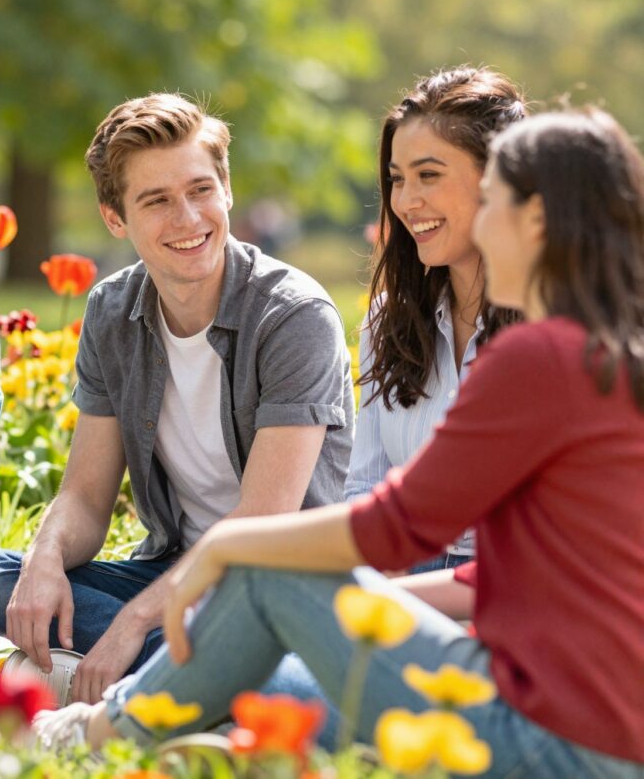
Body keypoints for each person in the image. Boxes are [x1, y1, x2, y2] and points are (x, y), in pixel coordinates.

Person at [34, 108, 644, 779]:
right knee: (269, 599)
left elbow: (399, 527)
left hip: (548, 734)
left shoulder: (537, 358)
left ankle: (98, 732)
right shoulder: (608, 359)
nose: (479, 222)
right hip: (598, 730)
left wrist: (236, 552)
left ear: (535, 222)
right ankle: (164, 705)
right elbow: (499, 575)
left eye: (492, 200)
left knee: (266, 578)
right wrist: (336, 607)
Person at [0, 93, 355, 704]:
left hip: (274, 583)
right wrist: (45, 561)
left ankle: (173, 679)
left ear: (226, 188)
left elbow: (262, 524)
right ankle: (194, 684)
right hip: (171, 571)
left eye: (201, 190)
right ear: (116, 219)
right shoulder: (113, 311)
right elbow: (87, 498)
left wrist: (134, 622)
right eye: (157, 201)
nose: (189, 218)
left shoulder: (293, 316)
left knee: (167, 628)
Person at [349, 67, 526, 572]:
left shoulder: (559, 331)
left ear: (498, 180)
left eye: (429, 176)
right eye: (397, 180)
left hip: (503, 592)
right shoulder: (389, 318)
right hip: (400, 576)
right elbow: (363, 486)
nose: (405, 202)